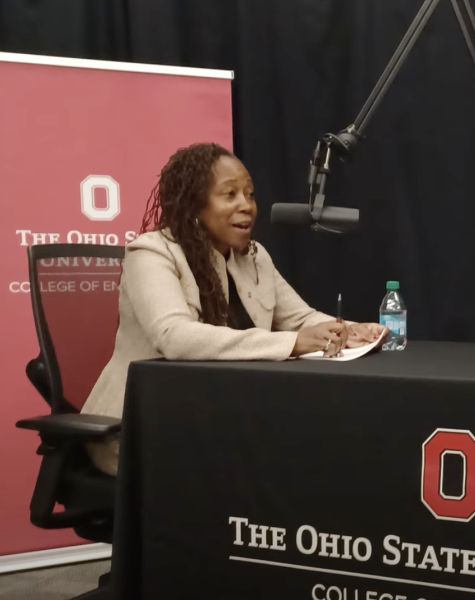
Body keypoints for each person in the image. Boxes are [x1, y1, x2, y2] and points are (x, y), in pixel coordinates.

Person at [81, 143, 384, 476]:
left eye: (250, 195)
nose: (247, 206)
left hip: (214, 420)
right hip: (139, 432)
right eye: (230, 195)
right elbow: (174, 337)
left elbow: (301, 318)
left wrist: (353, 328)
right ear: (194, 204)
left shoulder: (253, 256)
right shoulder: (152, 253)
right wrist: (293, 343)